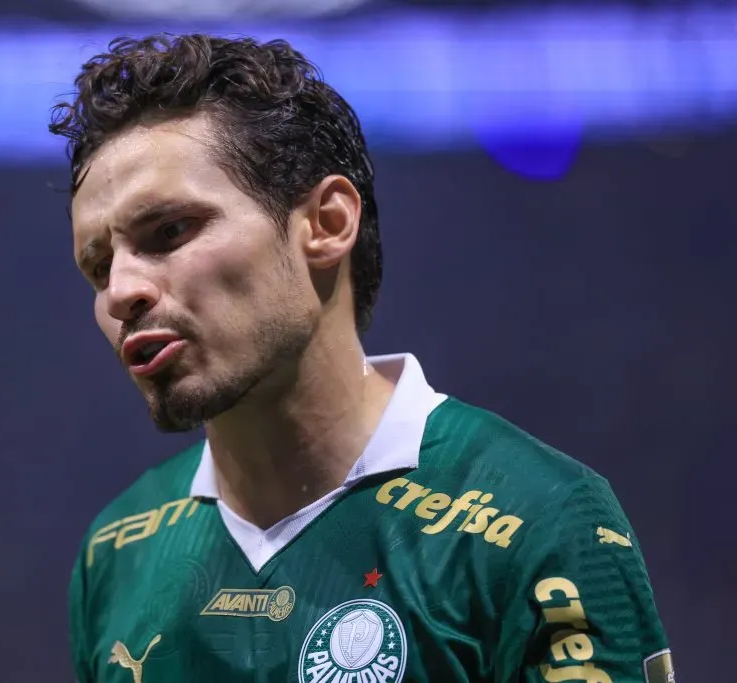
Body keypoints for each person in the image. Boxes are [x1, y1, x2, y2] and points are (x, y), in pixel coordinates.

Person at [50, 33, 674, 683]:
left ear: (326, 222)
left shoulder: (538, 516)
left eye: (170, 231)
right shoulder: (117, 550)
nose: (121, 292)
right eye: (98, 266)